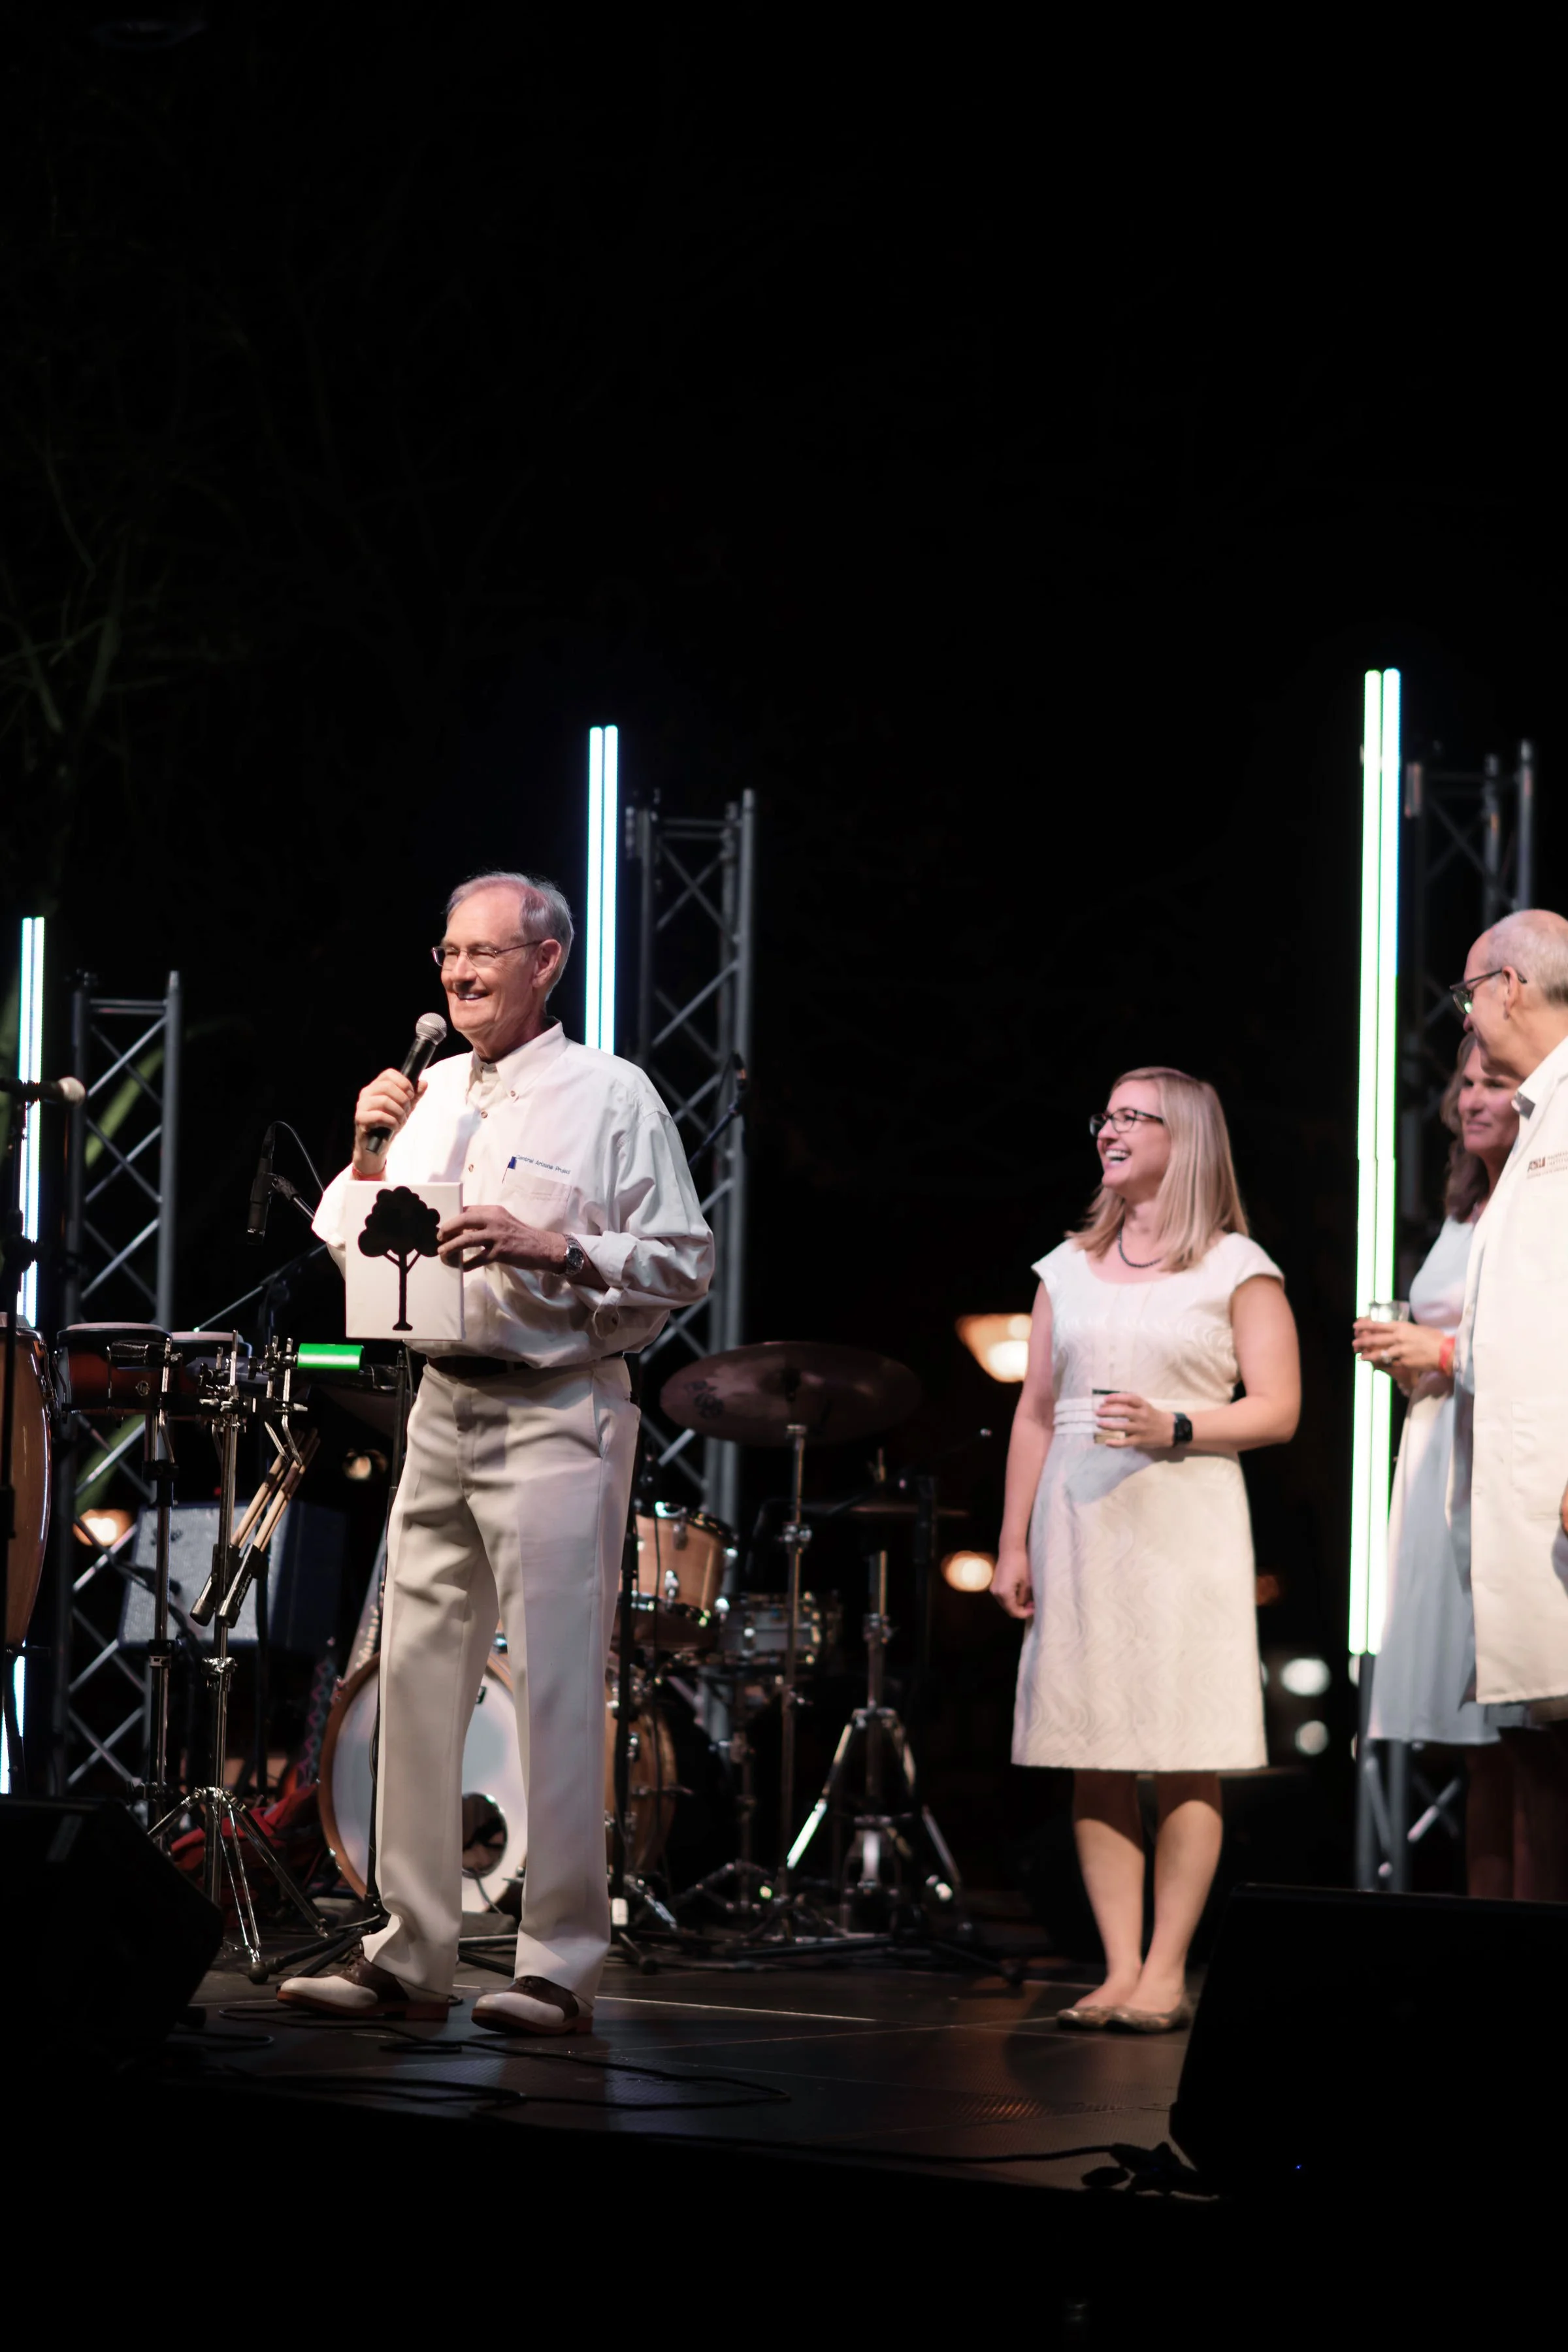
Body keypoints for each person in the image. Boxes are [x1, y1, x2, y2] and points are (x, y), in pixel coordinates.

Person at [279, 871, 713, 2031]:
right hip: (438, 1405)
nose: (460, 973)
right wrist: (369, 1154)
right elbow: (350, 1251)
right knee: (414, 1678)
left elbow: (685, 1260)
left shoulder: (610, 1095)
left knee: (558, 1684)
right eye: (448, 954)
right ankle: (409, 1949)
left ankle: (558, 1964)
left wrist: (552, 1245)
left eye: (484, 953)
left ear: (547, 963)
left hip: (558, 1404)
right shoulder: (422, 1094)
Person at [993, 1066, 1299, 2031]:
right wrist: (1011, 1544)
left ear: (1185, 1138)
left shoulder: (1236, 1266)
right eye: (1108, 1115)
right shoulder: (1066, 1268)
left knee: (1184, 1749)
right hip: (1079, 1519)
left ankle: (1167, 1971)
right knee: (1092, 1747)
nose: (1111, 1130)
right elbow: (1035, 1413)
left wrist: (1178, 1425)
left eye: (1135, 1117)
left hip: (1185, 1520)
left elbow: (1279, 1408)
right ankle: (1119, 1967)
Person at [1352, 1037, 1520, 1895]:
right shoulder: (1466, 1204)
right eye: (1465, 1083)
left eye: (1496, 1082)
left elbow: (1538, 1347)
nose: (1471, 1098)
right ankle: (1488, 1925)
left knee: (1525, 1728)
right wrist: (1409, 1359)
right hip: (1439, 1458)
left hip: (1507, 1463)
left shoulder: (1540, 1204)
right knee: (1478, 1739)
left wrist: (1443, 1351)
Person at [1446, 907, 1568, 1895]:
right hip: (1523, 1490)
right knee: (1542, 1737)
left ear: (1509, 988)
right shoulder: (1540, 1118)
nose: (1468, 1015)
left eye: (1468, 992)